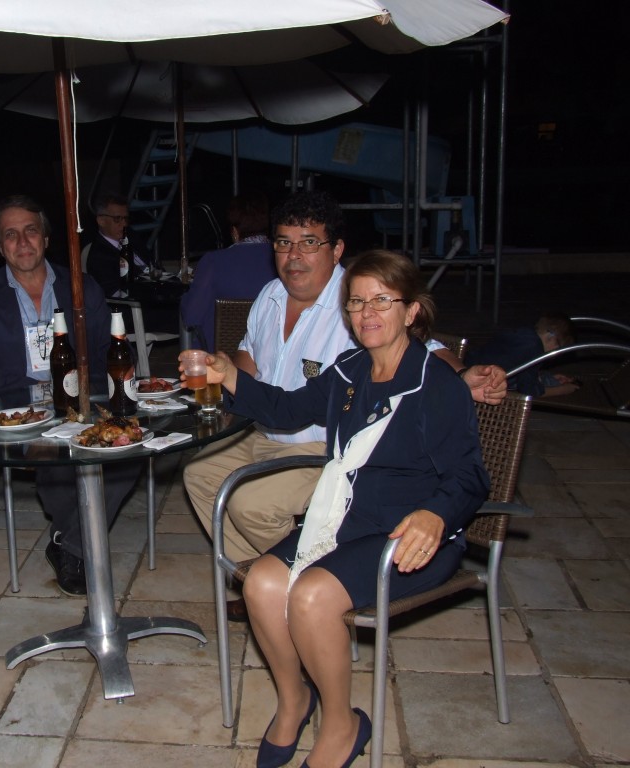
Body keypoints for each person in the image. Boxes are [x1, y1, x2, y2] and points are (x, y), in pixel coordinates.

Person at [185, 250, 489, 768]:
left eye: (382, 301)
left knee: (311, 598)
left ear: (412, 311)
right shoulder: (350, 370)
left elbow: (470, 476)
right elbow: (286, 409)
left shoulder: (435, 384)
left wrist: (436, 515)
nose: (367, 313)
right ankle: (293, 699)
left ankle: (342, 724)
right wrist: (229, 374)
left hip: (410, 535)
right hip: (347, 517)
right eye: (356, 302)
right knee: (261, 584)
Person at [181, 192, 505, 621]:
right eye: (284, 243)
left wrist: (463, 376)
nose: (294, 255)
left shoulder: (357, 301)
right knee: (199, 472)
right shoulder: (270, 295)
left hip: (323, 445)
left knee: (249, 503)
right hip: (269, 423)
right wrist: (227, 371)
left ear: (336, 250)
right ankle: (262, 583)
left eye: (309, 243)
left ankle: (310, 589)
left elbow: (421, 349)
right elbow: (254, 361)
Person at [0, 194, 140, 596]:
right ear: (0, 245)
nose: (22, 242)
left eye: (31, 231)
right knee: (54, 456)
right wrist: (29, 384)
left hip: (79, 404)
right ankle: (77, 544)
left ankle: (67, 542)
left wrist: (92, 390)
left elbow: (110, 350)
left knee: (128, 454)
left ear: (46, 238)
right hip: (17, 410)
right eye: (11, 234)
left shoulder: (80, 286)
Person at [180, 191, 277, 352]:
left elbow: (191, 316)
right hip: (268, 355)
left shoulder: (213, 262)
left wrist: (185, 296)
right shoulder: (283, 260)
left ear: (234, 232)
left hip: (220, 358)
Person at [466, 313, 580, 397]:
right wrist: (562, 390)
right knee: (538, 385)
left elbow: (520, 366)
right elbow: (529, 391)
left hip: (472, 364)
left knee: (544, 379)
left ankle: (549, 379)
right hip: (486, 383)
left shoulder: (524, 333)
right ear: (551, 338)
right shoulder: (534, 349)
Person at [85, 192, 150, 298]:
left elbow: (153, 266)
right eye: (117, 219)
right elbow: (117, 295)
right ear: (101, 221)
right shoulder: (99, 256)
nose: (124, 224)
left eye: (125, 219)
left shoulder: (133, 237)